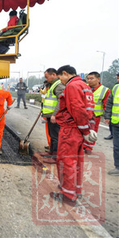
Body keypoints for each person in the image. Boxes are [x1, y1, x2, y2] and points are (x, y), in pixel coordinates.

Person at [50, 65, 97, 205]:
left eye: (61, 78)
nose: (61, 82)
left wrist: (85, 130)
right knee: (77, 161)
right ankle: (75, 190)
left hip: (71, 129)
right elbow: (89, 110)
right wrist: (88, 129)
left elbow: (77, 109)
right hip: (80, 129)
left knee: (66, 161)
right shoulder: (85, 86)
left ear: (65, 73)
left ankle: (67, 195)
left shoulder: (72, 86)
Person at [40, 68, 65, 164]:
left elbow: (61, 101)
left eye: (47, 77)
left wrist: (55, 114)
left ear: (53, 74)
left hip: (55, 116)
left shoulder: (58, 85)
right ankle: (51, 152)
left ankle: (55, 157)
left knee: (55, 136)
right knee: (52, 135)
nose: (47, 79)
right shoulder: (53, 85)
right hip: (50, 115)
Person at [84, 71, 110, 154]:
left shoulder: (105, 90)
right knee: (81, 130)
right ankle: (81, 146)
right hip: (83, 114)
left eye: (91, 78)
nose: (89, 80)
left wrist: (107, 117)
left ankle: (89, 147)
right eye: (88, 78)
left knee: (92, 131)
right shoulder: (84, 87)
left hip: (95, 116)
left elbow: (106, 104)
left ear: (98, 79)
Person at [103, 72, 119, 176]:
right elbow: (109, 103)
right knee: (117, 146)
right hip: (116, 123)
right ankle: (118, 167)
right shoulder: (115, 88)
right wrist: (107, 116)